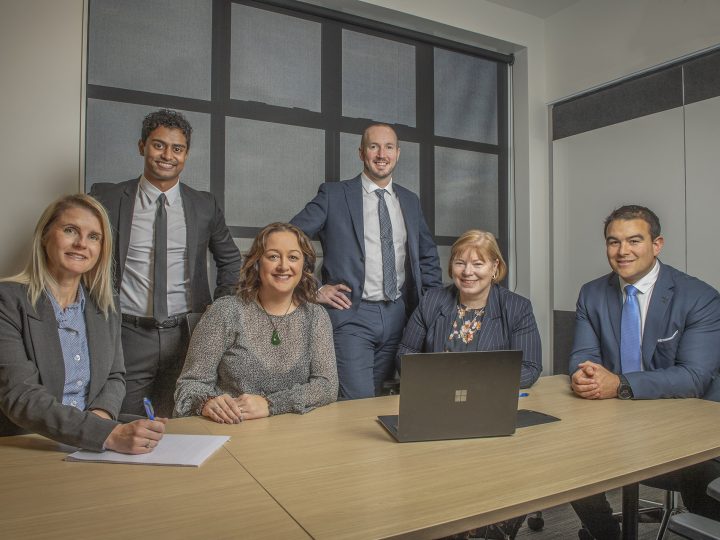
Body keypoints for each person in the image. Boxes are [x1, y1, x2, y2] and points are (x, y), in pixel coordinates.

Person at [569, 204, 720, 539]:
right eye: (613, 242)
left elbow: (694, 377)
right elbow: (582, 355)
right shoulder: (592, 294)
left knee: (701, 477)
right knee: (568, 457)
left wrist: (619, 383)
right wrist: (584, 375)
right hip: (615, 422)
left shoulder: (699, 297)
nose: (623, 251)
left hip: (686, 429)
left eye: (634, 240)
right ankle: (604, 532)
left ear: (657, 244)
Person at [90, 109, 242, 417]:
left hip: (187, 335)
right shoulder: (105, 198)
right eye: (158, 145)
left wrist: (219, 310)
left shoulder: (204, 204)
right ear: (142, 146)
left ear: (185, 154)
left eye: (177, 148)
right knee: (123, 422)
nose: (167, 155)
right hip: (127, 332)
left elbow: (231, 260)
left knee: (182, 421)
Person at [0, 194, 166, 453]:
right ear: (45, 236)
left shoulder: (106, 307)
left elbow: (115, 376)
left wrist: (100, 418)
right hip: (29, 444)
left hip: (92, 445)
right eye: (70, 230)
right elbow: (21, 397)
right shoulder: (7, 301)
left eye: (93, 237)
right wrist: (103, 434)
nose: (81, 244)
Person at [291, 123, 442, 399]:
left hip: (400, 316)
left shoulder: (409, 200)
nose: (381, 154)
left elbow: (428, 258)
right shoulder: (334, 195)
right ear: (361, 152)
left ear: (398, 153)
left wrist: (432, 310)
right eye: (373, 146)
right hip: (352, 316)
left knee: (380, 401)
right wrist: (312, 288)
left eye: (388, 147)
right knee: (356, 404)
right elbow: (287, 239)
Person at [174, 223, 338, 421]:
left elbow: (327, 386)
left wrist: (271, 404)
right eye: (273, 256)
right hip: (232, 427)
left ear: (304, 266)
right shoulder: (226, 311)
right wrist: (207, 402)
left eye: (293, 257)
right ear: (257, 262)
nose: (283, 266)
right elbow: (189, 386)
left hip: (293, 432)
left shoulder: (316, 316)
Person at [397, 230, 541, 386]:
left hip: (489, 399)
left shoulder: (517, 308)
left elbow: (529, 368)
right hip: (437, 396)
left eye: (477, 264)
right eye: (460, 263)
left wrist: (473, 382)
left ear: (494, 267)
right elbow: (405, 353)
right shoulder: (431, 301)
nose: (467, 272)